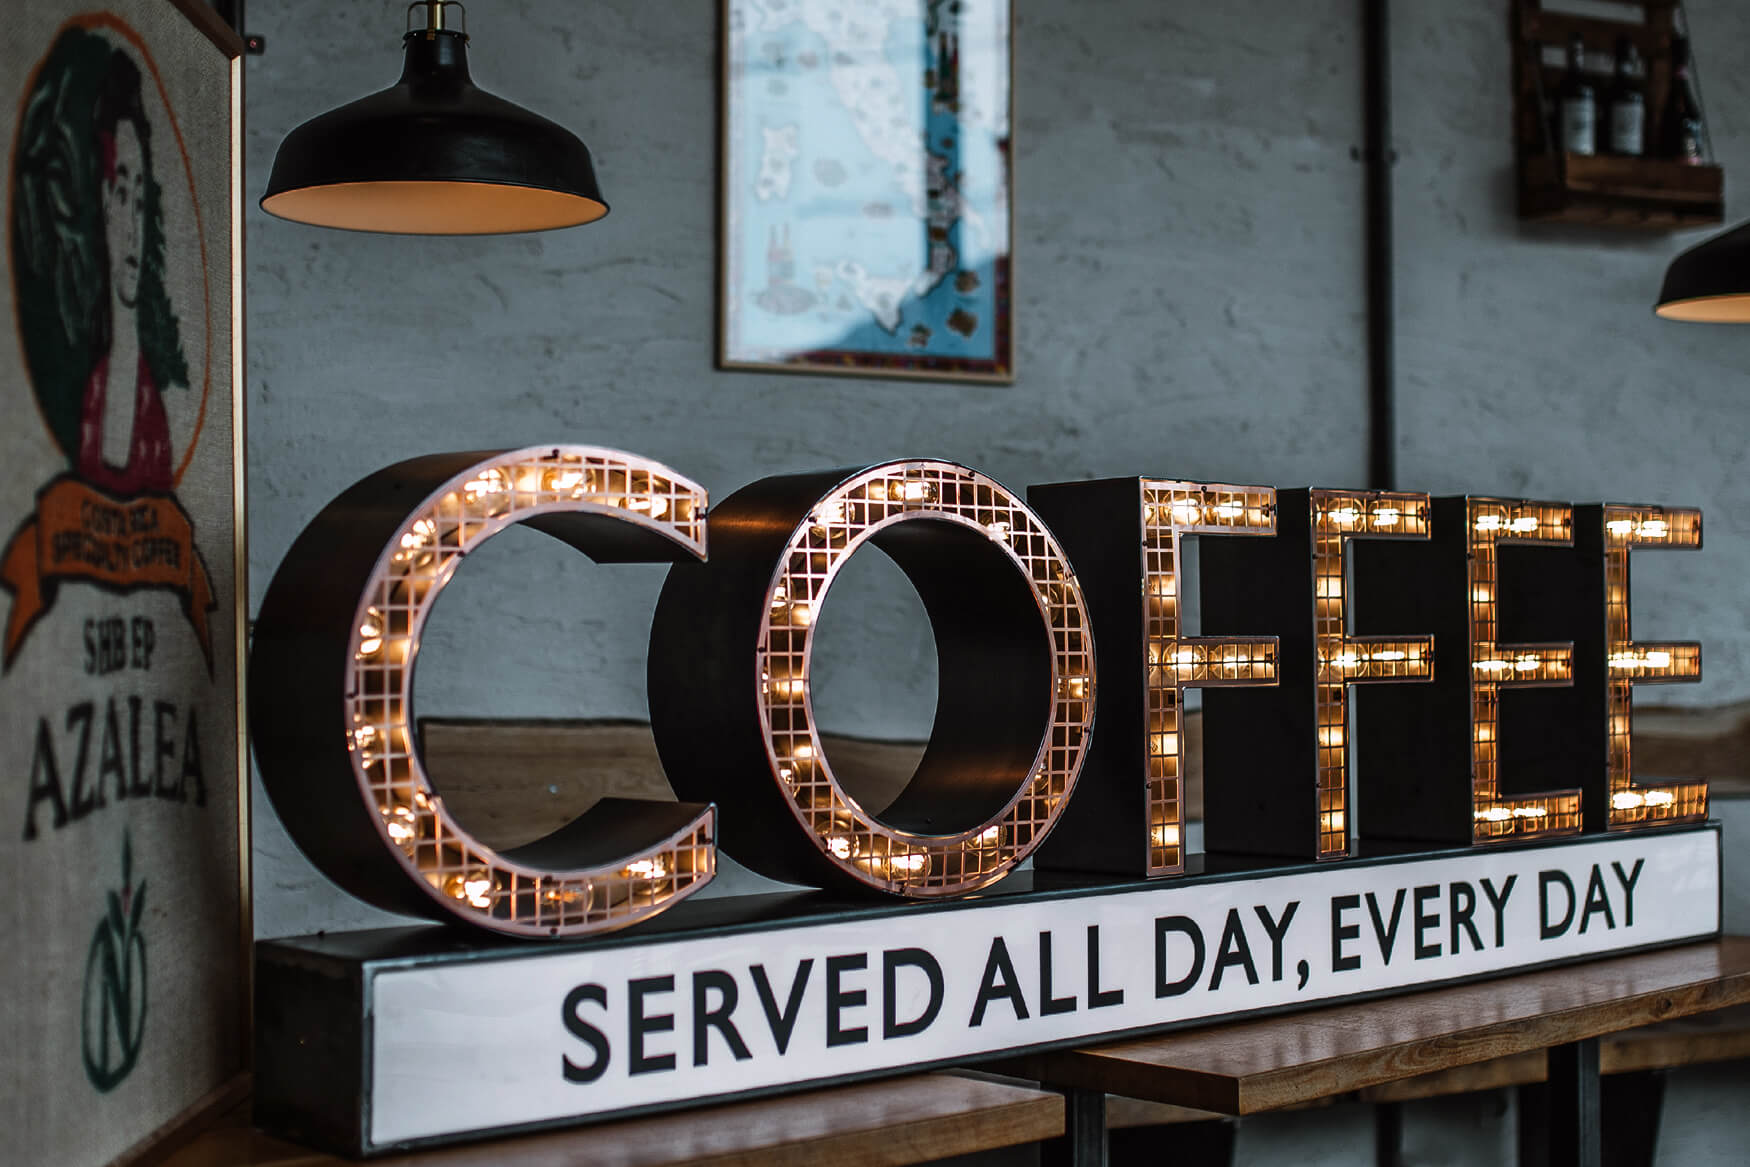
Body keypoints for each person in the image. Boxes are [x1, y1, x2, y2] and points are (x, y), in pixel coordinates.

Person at [76, 50, 173, 495]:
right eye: (121, 193)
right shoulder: (86, 390)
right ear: (100, 199)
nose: (132, 227)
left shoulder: (152, 406)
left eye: (140, 201)